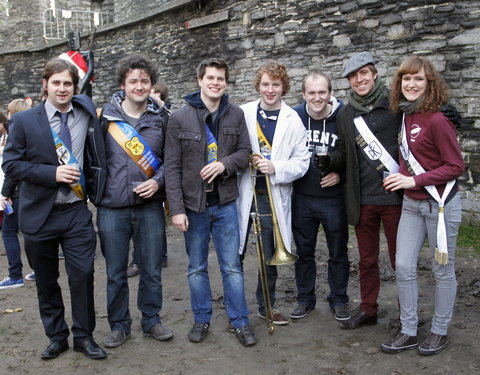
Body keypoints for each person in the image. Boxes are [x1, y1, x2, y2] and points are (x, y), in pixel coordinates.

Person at [2, 58, 107, 360]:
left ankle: (84, 337)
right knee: (46, 281)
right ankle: (57, 336)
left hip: (76, 212)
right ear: (45, 84)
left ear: (75, 87)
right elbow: (11, 164)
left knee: (83, 275)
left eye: (68, 83)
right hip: (39, 214)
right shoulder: (23, 122)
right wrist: (52, 173)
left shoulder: (86, 112)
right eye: (56, 82)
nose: (62, 88)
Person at [165, 58, 256, 347]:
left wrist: (224, 165)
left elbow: (245, 152)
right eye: (210, 78)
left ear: (226, 83)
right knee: (196, 268)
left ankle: (239, 321)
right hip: (194, 207)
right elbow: (172, 167)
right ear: (200, 81)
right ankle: (201, 319)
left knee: (232, 267)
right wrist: (176, 209)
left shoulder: (236, 114)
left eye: (220, 79)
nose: (215, 83)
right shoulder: (179, 118)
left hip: (226, 203)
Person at [380, 56, 464, 356]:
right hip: (412, 206)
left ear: (429, 84)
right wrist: (400, 175)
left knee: (442, 270)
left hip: (440, 206)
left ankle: (439, 331)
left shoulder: (439, 119)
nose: (411, 84)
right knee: (403, 267)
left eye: (418, 79)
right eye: (406, 79)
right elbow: (409, 158)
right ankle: (409, 329)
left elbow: (456, 166)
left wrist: (412, 182)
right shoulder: (405, 114)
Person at [98, 53, 172, 348]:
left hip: (150, 207)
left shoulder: (162, 119)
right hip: (111, 207)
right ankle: (119, 325)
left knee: (152, 269)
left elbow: (172, 161)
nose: (139, 86)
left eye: (144, 81)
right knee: (115, 272)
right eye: (133, 81)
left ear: (152, 84)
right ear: (122, 84)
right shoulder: (103, 119)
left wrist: (157, 181)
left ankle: (151, 320)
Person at [329, 51, 403, 329]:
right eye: (353, 76)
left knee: (401, 262)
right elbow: (344, 152)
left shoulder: (396, 105)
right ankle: (368, 309)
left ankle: (406, 312)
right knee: (367, 260)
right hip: (363, 200)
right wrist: (330, 162)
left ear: (374, 74)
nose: (359, 80)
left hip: (396, 197)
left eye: (363, 73)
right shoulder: (346, 114)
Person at [237, 61, 310, 325]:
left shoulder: (294, 120)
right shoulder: (242, 113)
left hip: (271, 195)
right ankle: (236, 309)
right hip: (242, 192)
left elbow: (303, 162)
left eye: (276, 85)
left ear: (284, 87)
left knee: (269, 255)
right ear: (258, 85)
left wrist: (275, 166)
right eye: (265, 84)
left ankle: (267, 305)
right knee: (236, 253)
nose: (270, 90)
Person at [290, 72, 350, 321]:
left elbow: (355, 156)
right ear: (303, 94)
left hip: (333, 199)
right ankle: (305, 299)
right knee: (304, 252)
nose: (317, 98)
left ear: (330, 93)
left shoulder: (344, 117)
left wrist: (341, 175)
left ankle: (338, 299)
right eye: (311, 93)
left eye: (322, 92)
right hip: (302, 196)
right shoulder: (293, 116)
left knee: (338, 252)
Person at [126, 80, 171, 278]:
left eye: (156, 93)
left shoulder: (164, 117)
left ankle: (161, 255)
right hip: (132, 186)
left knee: (156, 225)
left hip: (156, 186)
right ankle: (137, 259)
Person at [0, 99, 35, 290]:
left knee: (9, 231)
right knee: (31, 232)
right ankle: (38, 269)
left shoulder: (17, 132)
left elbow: (14, 168)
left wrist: (5, 193)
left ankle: (15, 274)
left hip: (18, 191)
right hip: (30, 189)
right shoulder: (35, 130)